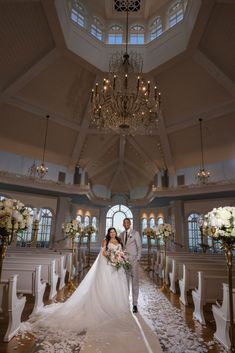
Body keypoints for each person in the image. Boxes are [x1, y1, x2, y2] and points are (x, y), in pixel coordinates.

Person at [120, 217, 142, 313]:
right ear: (123, 224)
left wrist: (138, 258)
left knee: (135, 282)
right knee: (125, 282)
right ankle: (126, 302)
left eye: (127, 222)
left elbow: (139, 247)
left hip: (133, 261)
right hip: (125, 261)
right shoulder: (121, 234)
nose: (126, 224)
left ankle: (135, 304)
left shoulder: (135, 233)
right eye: (124, 223)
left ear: (130, 223)